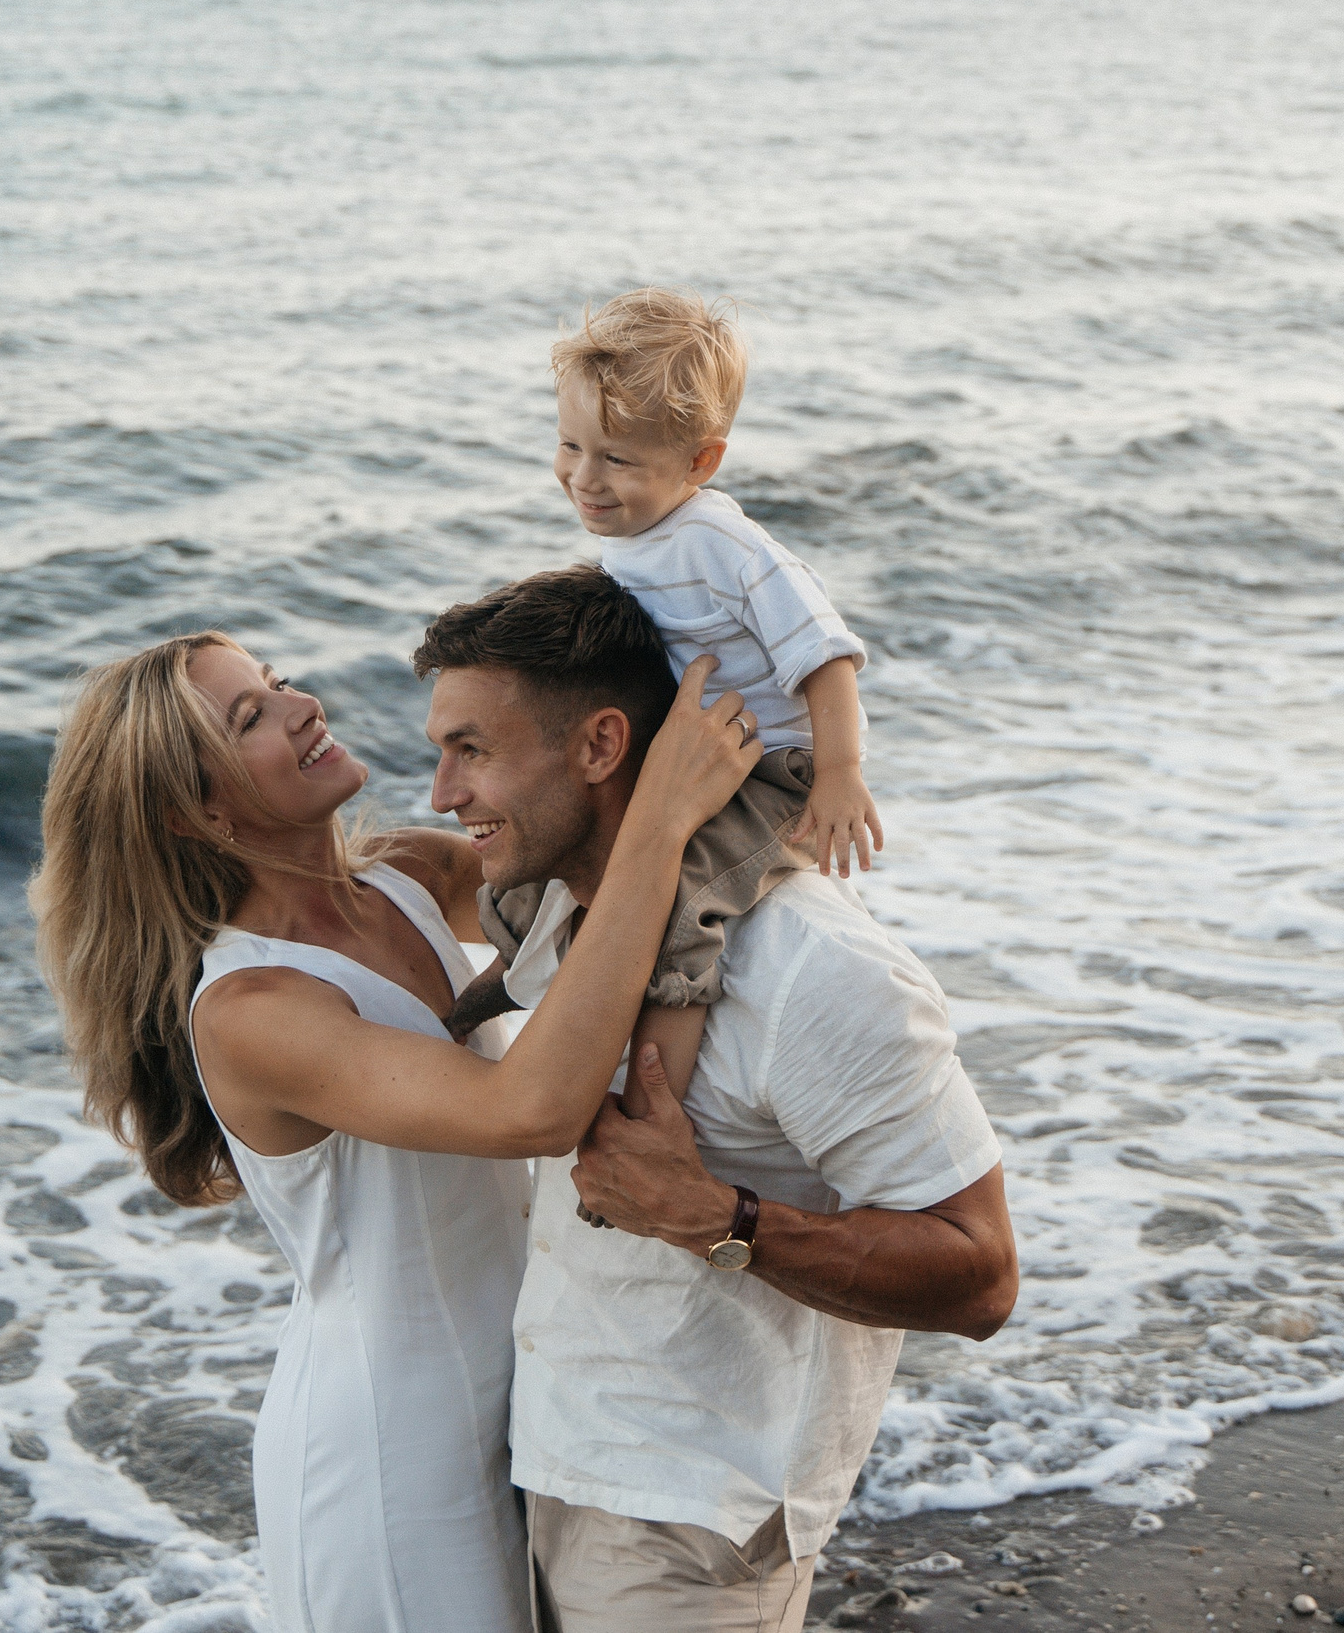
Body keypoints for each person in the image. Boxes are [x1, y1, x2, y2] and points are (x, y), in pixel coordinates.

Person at [28, 624, 760, 1633]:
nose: (301, 705)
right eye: (252, 716)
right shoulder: (251, 1008)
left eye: (278, 682)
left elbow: (589, 870)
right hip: (392, 1452)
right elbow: (530, 1109)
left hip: (544, 1401)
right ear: (194, 811)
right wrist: (664, 818)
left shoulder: (411, 875)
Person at [414, 567, 1018, 1632]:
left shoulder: (812, 969)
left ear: (600, 748)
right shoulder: (559, 915)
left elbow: (979, 1276)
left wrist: (719, 1220)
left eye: (472, 751)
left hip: (694, 1514)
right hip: (550, 1463)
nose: (442, 793)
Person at [452, 287, 884, 1122]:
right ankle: (515, 980)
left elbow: (826, 655)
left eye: (616, 459)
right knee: (550, 842)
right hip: (688, 752)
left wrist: (838, 774)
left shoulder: (721, 543)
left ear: (700, 462)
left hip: (766, 771)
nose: (583, 477)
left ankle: (654, 1114)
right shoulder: (634, 538)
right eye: (569, 445)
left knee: (686, 901)